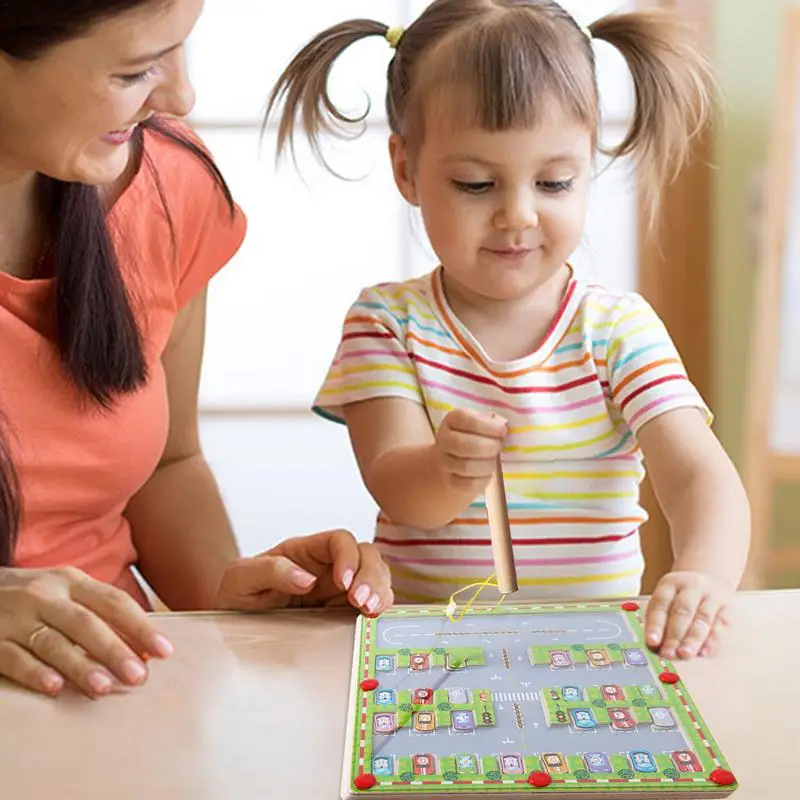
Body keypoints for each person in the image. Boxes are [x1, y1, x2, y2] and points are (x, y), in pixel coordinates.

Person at [265, 0, 750, 661]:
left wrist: (704, 573)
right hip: (432, 662)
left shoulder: (615, 328)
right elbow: (398, 487)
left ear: (589, 166)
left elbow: (698, 476)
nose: (518, 215)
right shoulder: (387, 323)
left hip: (592, 659)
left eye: (554, 181)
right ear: (406, 169)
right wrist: (444, 470)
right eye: (475, 183)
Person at [0, 0, 392, 700]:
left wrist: (233, 593)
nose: (181, 96)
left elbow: (168, 465)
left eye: (181, 49)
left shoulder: (167, 186)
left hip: (124, 699)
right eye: (135, 69)